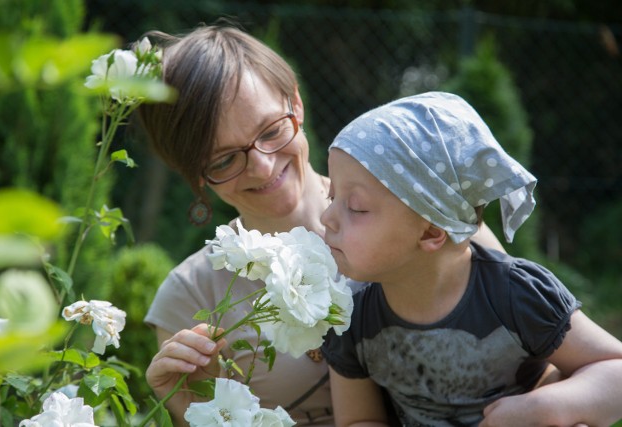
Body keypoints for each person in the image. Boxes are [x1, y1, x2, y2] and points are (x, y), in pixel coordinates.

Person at [137, 24, 508, 427]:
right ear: (195, 174)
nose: (262, 166)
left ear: (295, 104)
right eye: (224, 159)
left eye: (271, 131)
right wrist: (189, 402)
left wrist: (537, 408)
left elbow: (542, 347)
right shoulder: (190, 297)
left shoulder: (423, 219)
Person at [319, 91, 622, 427]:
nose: (326, 217)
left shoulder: (514, 295)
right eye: (332, 196)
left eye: (356, 207)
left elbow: (616, 372)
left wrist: (544, 407)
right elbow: (358, 419)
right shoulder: (350, 313)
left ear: (431, 232)